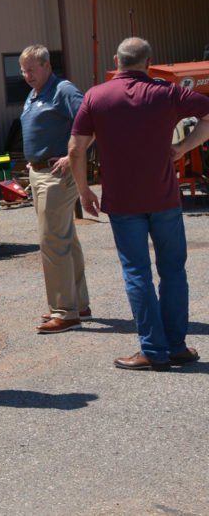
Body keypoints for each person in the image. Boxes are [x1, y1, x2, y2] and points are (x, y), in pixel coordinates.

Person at [68, 37, 209, 371]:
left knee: (137, 274)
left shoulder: (96, 97)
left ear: (116, 60)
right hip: (164, 198)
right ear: (149, 62)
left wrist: (84, 191)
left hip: (122, 202)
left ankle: (152, 350)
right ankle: (175, 346)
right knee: (173, 271)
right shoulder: (168, 94)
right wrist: (185, 147)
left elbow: (76, 148)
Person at [18, 45, 91, 334]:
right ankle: (78, 303)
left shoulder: (63, 90)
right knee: (65, 238)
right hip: (40, 172)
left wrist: (69, 156)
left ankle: (65, 312)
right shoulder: (35, 92)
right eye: (22, 70)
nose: (26, 75)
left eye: (31, 69)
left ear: (47, 65)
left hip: (58, 173)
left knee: (52, 241)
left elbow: (90, 121)